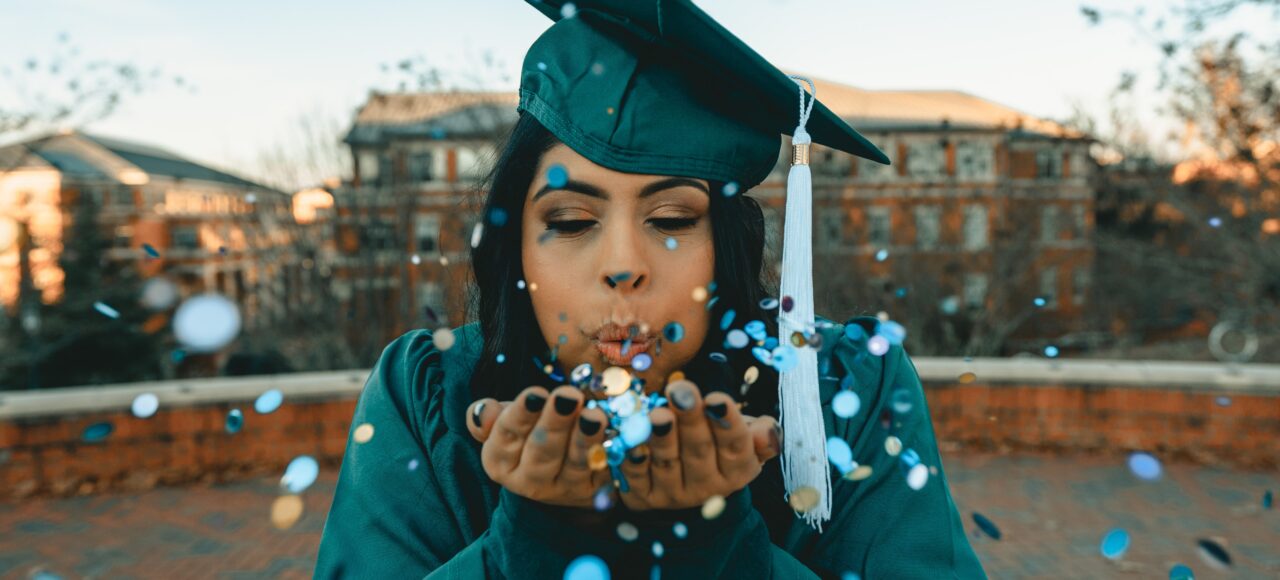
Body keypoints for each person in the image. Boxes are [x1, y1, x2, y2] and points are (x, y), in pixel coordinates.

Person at [315, 1, 987, 578]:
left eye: (671, 220)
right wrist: (535, 547)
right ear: (515, 241)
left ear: (725, 248)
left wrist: (721, 550)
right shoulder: (430, 392)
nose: (623, 266)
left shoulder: (840, 390)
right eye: (572, 220)